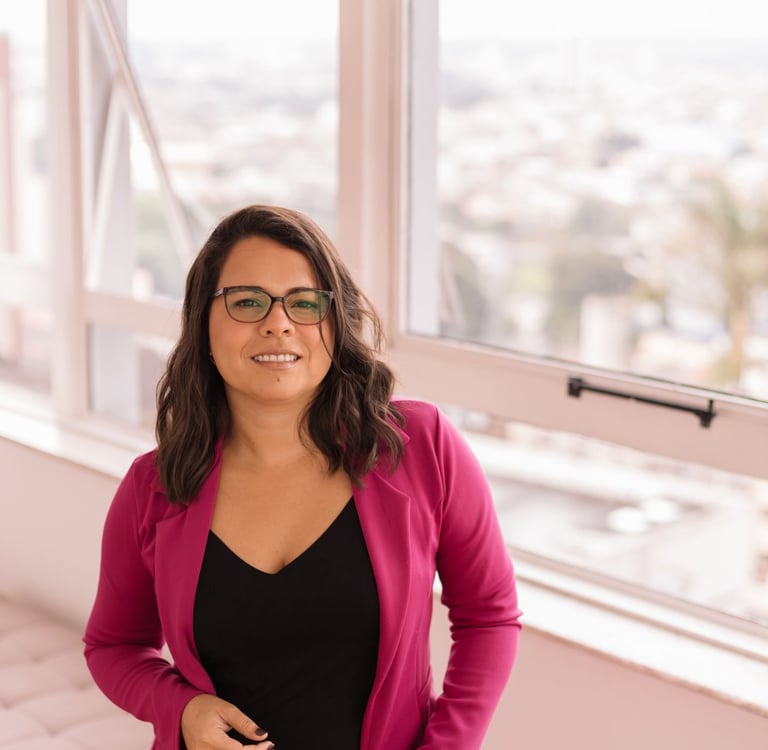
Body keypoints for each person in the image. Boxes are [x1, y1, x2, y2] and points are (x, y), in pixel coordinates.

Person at [83, 205, 521, 750]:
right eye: (247, 302)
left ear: (335, 323)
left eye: (305, 302)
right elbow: (112, 646)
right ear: (203, 322)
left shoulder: (420, 445)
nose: (278, 322)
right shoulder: (153, 485)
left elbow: (489, 617)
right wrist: (181, 709)